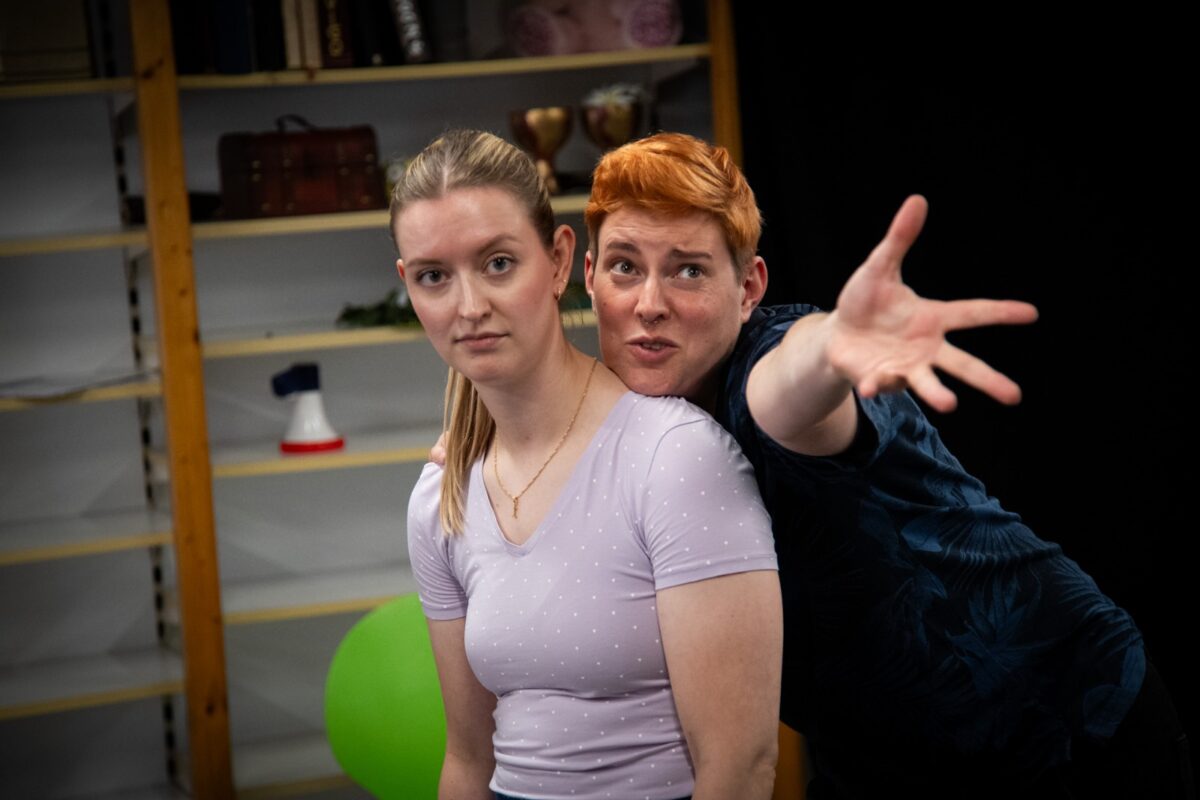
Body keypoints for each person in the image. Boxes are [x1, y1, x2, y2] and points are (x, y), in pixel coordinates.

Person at [579, 132, 1194, 798]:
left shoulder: (771, 366)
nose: (650, 303)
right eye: (625, 267)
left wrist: (834, 344)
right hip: (880, 757)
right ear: (588, 277)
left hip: (1068, 727)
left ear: (749, 287)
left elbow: (790, 389)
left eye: (689, 271)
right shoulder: (619, 430)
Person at [391, 129, 783, 800]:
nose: (469, 307)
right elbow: (467, 759)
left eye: (498, 263)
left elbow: (740, 768)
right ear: (407, 285)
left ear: (559, 262)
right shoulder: (440, 497)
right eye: (434, 277)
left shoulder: (675, 455)